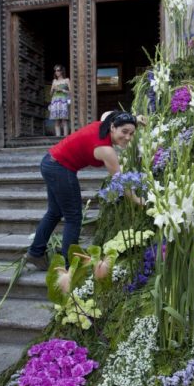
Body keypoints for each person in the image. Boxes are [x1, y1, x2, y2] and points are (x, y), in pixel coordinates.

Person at [26, 111, 145, 270]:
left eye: (131, 133)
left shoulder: (104, 123)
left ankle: (35, 252)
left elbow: (109, 114)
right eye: (124, 132)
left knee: (54, 212)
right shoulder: (106, 150)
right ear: (112, 127)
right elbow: (120, 181)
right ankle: (70, 266)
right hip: (60, 167)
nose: (128, 137)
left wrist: (134, 119)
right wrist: (137, 200)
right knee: (73, 217)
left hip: (49, 161)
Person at [49, 64, 71, 137]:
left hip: (63, 101)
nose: (56, 72)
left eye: (58, 70)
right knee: (56, 121)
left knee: (64, 120)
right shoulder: (54, 81)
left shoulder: (66, 80)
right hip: (55, 101)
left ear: (62, 71)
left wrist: (62, 90)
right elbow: (50, 94)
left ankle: (65, 138)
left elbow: (71, 92)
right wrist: (52, 90)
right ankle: (57, 138)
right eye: (55, 71)